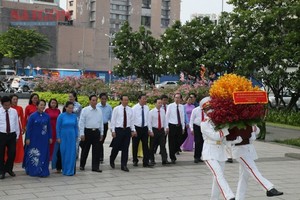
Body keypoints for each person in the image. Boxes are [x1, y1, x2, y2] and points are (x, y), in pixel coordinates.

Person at [230, 125, 283, 199]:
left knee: (243, 178)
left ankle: (239, 198)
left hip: (249, 149)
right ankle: (269, 188)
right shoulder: (234, 122)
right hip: (239, 150)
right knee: (253, 169)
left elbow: (257, 131)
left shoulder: (248, 121)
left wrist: (251, 128)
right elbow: (229, 138)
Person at [200, 97, 236, 200]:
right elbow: (216, 136)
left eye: (211, 108)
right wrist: (226, 128)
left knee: (217, 179)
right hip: (209, 153)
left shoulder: (219, 121)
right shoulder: (204, 123)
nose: (210, 110)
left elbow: (223, 140)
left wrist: (237, 140)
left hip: (220, 152)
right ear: (204, 111)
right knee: (219, 174)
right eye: (207, 109)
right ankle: (229, 196)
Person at [23, 100, 52, 177]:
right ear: (37, 106)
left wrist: (50, 137)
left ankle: (43, 170)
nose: (42, 106)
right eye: (41, 105)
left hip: (44, 139)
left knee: (43, 153)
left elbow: (49, 128)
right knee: (34, 154)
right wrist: (28, 138)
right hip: (34, 139)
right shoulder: (32, 116)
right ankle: (33, 170)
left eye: (44, 105)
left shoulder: (47, 116)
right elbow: (29, 128)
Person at [110, 95, 136, 172]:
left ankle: (124, 164)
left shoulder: (130, 110)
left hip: (127, 130)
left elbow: (132, 121)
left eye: (127, 100)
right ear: (121, 101)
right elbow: (113, 121)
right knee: (116, 147)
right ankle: (112, 159)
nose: (126, 101)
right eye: (124, 100)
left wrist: (133, 130)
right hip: (118, 130)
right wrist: (113, 131)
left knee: (125, 148)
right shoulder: (116, 109)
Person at [79, 95, 103, 172]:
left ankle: (95, 167)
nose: (94, 102)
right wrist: (82, 133)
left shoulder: (99, 110)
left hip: (96, 132)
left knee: (96, 150)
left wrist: (101, 133)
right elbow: (81, 122)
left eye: (96, 100)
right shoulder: (85, 110)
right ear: (89, 101)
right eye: (93, 100)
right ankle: (82, 165)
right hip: (87, 132)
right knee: (85, 149)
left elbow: (101, 122)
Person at [54, 101, 78, 176]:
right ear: (65, 107)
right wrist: (58, 137)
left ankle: (70, 170)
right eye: (69, 108)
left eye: (72, 108)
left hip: (72, 136)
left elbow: (76, 127)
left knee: (71, 153)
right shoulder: (61, 116)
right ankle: (65, 169)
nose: (71, 109)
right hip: (63, 136)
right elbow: (58, 127)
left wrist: (76, 136)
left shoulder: (74, 116)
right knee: (64, 153)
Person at [0, 96, 19, 179]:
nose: (7, 106)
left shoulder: (14, 111)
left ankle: (8, 169)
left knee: (12, 153)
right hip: (2, 135)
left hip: (12, 135)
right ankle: (1, 171)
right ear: (2, 104)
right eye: (5, 105)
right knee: (1, 154)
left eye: (8, 105)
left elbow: (16, 123)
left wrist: (17, 135)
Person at [132, 94, 153, 167]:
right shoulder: (134, 108)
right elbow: (132, 120)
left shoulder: (147, 108)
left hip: (144, 128)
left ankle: (146, 162)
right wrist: (133, 130)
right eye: (143, 99)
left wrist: (149, 129)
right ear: (139, 99)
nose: (145, 100)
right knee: (135, 145)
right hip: (137, 128)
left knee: (145, 145)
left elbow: (148, 119)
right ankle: (135, 160)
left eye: (146, 99)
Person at [148, 98, 170, 165]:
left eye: (161, 103)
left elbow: (165, 120)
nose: (160, 104)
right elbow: (149, 122)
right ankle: (151, 159)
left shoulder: (163, 111)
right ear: (155, 103)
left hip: (161, 130)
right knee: (152, 146)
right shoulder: (151, 112)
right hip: (154, 130)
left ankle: (164, 159)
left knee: (163, 145)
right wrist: (150, 131)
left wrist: (166, 127)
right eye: (159, 103)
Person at [165, 93, 185, 164]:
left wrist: (183, 127)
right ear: (174, 98)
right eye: (176, 97)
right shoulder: (170, 106)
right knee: (171, 142)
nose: (177, 99)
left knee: (179, 140)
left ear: (180, 99)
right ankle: (172, 157)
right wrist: (166, 126)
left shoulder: (182, 107)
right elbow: (167, 116)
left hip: (179, 126)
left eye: (178, 98)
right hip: (172, 125)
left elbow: (182, 117)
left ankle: (175, 150)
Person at [96, 93, 112, 163]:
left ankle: (100, 156)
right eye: (102, 99)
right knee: (98, 141)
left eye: (105, 99)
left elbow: (111, 118)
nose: (104, 100)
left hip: (105, 125)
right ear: (100, 99)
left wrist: (112, 128)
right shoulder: (97, 106)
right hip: (97, 125)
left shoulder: (109, 107)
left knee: (101, 141)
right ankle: (99, 156)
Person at [66, 92, 82, 159]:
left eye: (71, 96)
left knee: (76, 140)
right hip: (68, 124)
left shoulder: (78, 105)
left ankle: (75, 155)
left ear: (75, 97)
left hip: (76, 125)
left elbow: (73, 111)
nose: (70, 98)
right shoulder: (66, 104)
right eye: (69, 96)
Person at [10, 94, 24, 163]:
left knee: (18, 143)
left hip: (17, 126)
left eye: (16, 99)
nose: (15, 101)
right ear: (11, 100)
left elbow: (22, 118)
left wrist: (23, 127)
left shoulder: (20, 108)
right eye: (14, 99)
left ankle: (18, 158)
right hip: (9, 126)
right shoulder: (8, 108)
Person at [189, 99, 205, 163]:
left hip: (204, 127)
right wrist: (191, 129)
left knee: (203, 142)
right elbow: (191, 120)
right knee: (197, 142)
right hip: (197, 127)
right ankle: (196, 157)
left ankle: (200, 156)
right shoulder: (195, 110)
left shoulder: (207, 109)